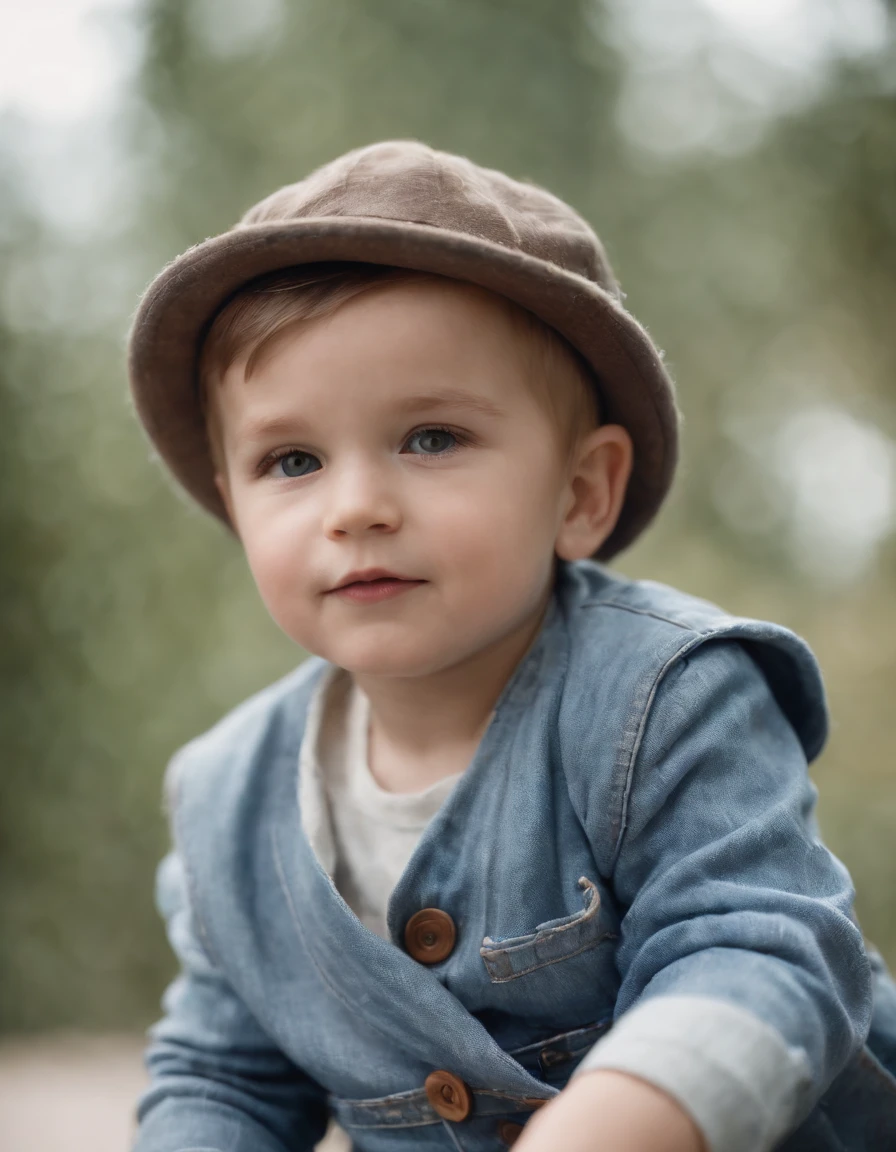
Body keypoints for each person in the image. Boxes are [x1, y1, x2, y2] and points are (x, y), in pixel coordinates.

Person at [127, 140, 896, 1152]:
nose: (355, 506)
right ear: (233, 503)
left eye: (431, 437)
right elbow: (221, 1077)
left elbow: (761, 950)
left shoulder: (665, 697)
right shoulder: (230, 801)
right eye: (292, 460)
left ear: (578, 493)